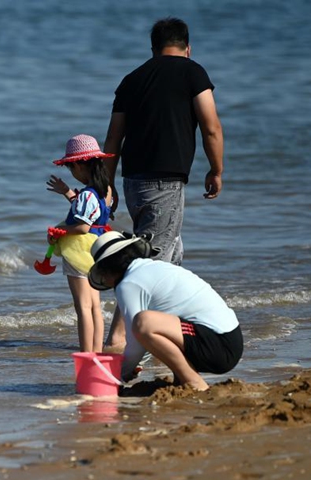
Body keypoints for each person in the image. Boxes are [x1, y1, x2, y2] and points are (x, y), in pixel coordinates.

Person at [103, 17, 225, 351]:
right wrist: (216, 170)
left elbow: (113, 138)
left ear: (153, 49)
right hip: (166, 183)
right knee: (148, 265)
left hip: (133, 182)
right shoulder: (192, 72)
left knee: (172, 257)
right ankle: (117, 341)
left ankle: (170, 330)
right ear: (188, 47)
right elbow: (211, 125)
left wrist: (107, 184)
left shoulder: (132, 79)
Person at [88, 231, 242, 391]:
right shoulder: (151, 267)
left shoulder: (128, 284)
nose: (104, 279)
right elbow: (149, 339)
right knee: (152, 321)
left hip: (220, 346)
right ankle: (181, 379)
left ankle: (195, 382)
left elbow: (136, 339)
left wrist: (118, 375)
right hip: (229, 340)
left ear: (109, 268)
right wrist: (133, 366)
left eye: (102, 272)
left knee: (144, 322)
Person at [45, 134, 114, 352]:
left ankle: (86, 354)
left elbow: (82, 226)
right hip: (97, 248)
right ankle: (97, 352)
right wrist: (67, 193)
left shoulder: (86, 194)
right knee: (95, 306)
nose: (73, 173)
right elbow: (91, 215)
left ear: (79, 165)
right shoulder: (107, 191)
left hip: (78, 249)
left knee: (82, 306)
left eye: (72, 168)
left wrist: (58, 231)